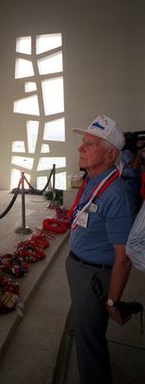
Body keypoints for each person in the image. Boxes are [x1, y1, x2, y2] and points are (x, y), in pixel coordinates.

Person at [66, 115, 135, 384]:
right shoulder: (92, 180)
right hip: (80, 269)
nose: (80, 148)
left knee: (89, 342)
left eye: (90, 145)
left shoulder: (116, 195)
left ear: (110, 155)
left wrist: (111, 301)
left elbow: (124, 258)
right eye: (83, 143)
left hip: (93, 276)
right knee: (86, 331)